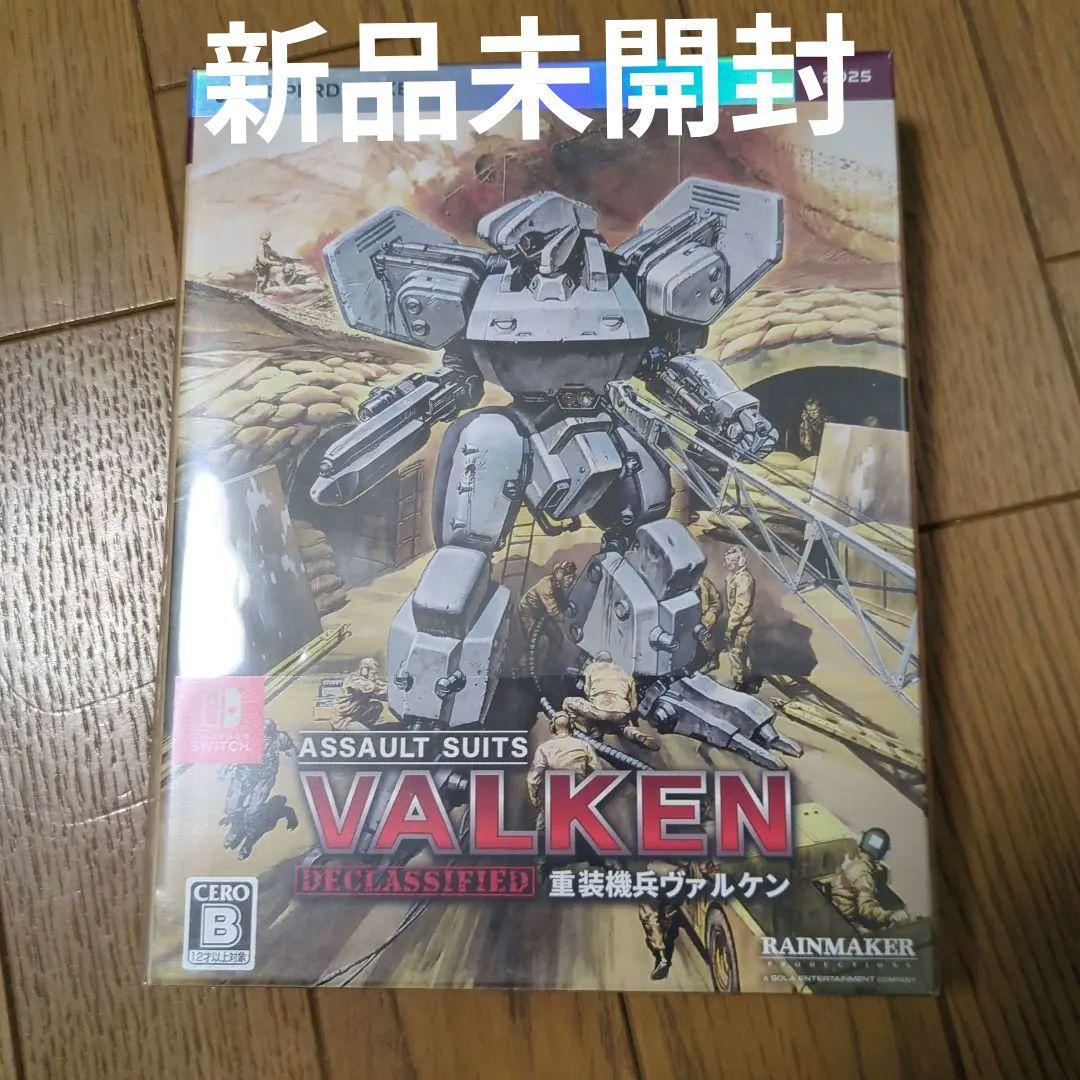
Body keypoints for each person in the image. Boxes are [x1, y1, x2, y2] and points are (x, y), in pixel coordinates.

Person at [219, 718, 299, 859]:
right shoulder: (245, 736)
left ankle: (249, 841)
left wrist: (300, 759)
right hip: (243, 776)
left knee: (252, 813)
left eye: (267, 731)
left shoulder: (280, 738)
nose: (264, 735)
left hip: (263, 780)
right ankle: (236, 829)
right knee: (231, 809)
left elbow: (291, 750)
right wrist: (223, 770)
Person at [561, 651, 660, 752]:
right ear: (612, 661)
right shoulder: (626, 674)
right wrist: (626, 714)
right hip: (621, 712)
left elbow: (587, 692)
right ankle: (637, 735)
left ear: (596, 661)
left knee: (567, 702)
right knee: (624, 726)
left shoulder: (591, 668)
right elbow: (633, 704)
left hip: (599, 710)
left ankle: (593, 729)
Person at [526, 712, 603, 836]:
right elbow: (599, 773)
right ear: (571, 726)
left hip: (556, 794)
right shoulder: (584, 745)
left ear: (553, 727)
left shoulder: (544, 748)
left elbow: (533, 778)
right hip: (580, 793)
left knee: (541, 832)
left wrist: (535, 798)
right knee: (592, 835)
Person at [828, 828, 910, 930]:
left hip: (840, 914)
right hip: (850, 923)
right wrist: (889, 916)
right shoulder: (864, 873)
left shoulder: (856, 861)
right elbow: (866, 909)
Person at [723, 547, 758, 692]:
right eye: (728, 560)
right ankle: (747, 681)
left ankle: (742, 683)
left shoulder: (743, 579)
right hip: (741, 621)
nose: (729, 563)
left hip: (743, 623)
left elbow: (741, 606)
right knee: (742, 653)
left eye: (733, 560)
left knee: (736, 652)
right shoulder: (734, 576)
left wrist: (730, 627)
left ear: (740, 561)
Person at [519, 560, 578, 641]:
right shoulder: (545, 588)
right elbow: (553, 611)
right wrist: (566, 620)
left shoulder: (556, 583)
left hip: (542, 608)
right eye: (568, 578)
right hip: (529, 610)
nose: (571, 580)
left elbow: (560, 597)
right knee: (533, 639)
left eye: (572, 577)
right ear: (560, 576)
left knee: (557, 637)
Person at [333, 656, 387, 728]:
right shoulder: (352, 678)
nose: (376, 677)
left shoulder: (368, 681)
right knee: (368, 734)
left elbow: (381, 694)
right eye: (374, 673)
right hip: (342, 720)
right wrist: (383, 687)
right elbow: (366, 687)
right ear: (364, 671)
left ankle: (363, 725)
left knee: (377, 706)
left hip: (355, 716)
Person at [694, 574, 724, 672]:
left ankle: (713, 661)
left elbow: (717, 602)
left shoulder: (704, 582)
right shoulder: (677, 582)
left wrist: (711, 615)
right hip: (687, 616)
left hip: (704, 617)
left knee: (703, 634)